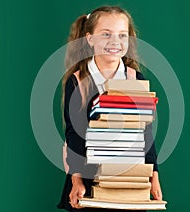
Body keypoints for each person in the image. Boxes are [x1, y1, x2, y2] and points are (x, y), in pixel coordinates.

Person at [57, 5, 163, 212]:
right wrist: (76, 180)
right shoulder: (79, 81)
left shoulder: (135, 78)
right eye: (106, 34)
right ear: (89, 39)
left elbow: (145, 132)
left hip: (129, 177)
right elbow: (74, 133)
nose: (115, 41)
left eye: (122, 35)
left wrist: (153, 176)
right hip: (87, 176)